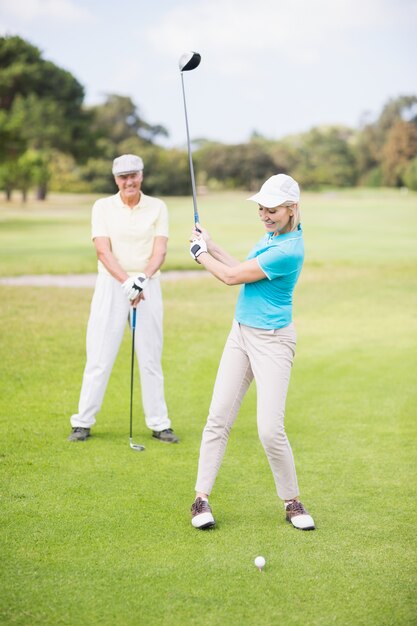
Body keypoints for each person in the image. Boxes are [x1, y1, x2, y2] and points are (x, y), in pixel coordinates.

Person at [188, 173, 314, 530]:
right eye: (261, 208)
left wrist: (199, 256)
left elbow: (231, 278)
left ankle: (292, 501)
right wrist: (210, 246)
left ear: (291, 210)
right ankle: (200, 500)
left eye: (271, 209)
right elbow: (240, 266)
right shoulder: (272, 236)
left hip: (273, 342)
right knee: (218, 418)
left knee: (269, 430)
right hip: (241, 335)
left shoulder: (288, 249)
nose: (264, 214)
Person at [68, 154, 179, 444]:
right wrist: (126, 281)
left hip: (148, 285)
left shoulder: (157, 206)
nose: (129, 181)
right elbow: (103, 251)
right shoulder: (102, 206)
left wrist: (141, 278)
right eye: (123, 177)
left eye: (134, 175)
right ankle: (82, 422)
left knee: (150, 357)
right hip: (111, 284)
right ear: (116, 179)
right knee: (99, 356)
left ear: (141, 176)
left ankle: (159, 424)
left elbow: (160, 251)